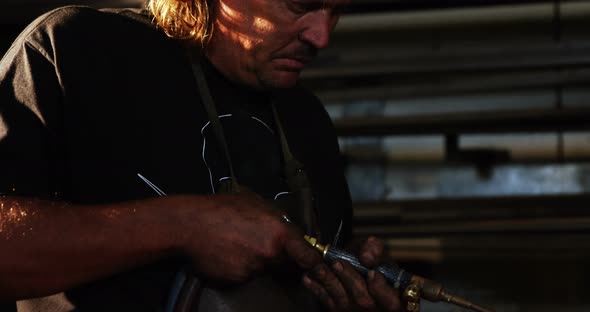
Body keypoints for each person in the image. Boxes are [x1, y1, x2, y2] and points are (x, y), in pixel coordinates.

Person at [0, 0, 403, 311]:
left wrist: (356, 291)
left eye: (338, 11)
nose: (322, 36)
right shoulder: (74, 50)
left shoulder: (307, 120)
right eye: (299, 5)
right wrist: (186, 225)